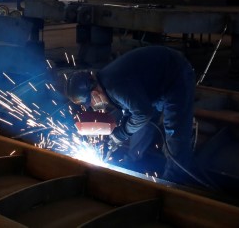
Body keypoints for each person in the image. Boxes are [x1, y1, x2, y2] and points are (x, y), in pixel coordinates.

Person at [65, 45, 196, 183]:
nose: (92, 107)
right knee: (142, 127)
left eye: (89, 103)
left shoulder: (114, 85)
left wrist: (121, 133)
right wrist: (118, 135)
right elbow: (132, 110)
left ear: (94, 94)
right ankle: (132, 164)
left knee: (175, 135)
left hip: (175, 77)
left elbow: (143, 113)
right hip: (155, 85)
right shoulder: (106, 83)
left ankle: (173, 185)